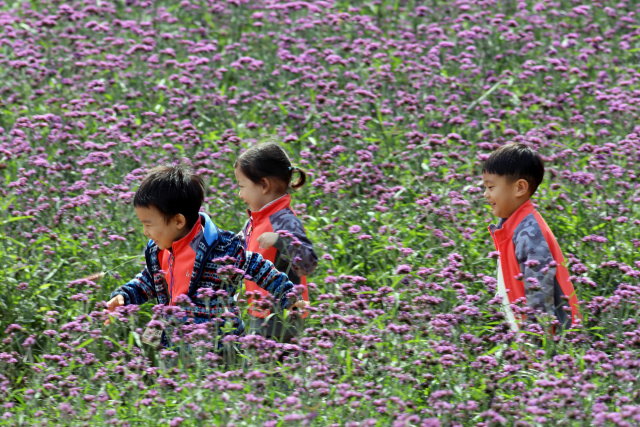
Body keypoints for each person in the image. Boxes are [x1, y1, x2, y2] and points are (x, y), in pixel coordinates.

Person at [105, 162, 305, 360]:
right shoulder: (159, 250)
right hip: (170, 334)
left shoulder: (223, 250)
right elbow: (149, 281)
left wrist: (289, 294)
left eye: (148, 224)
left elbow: (259, 268)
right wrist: (125, 296)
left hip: (216, 342)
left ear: (178, 221)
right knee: (150, 364)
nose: (145, 232)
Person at [483, 143, 580, 333]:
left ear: (520, 188)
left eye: (491, 187)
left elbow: (540, 297)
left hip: (547, 345)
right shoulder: (511, 227)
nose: (485, 194)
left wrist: (534, 342)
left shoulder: (530, 233)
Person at [234, 140, 317, 345]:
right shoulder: (254, 221)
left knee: (275, 369)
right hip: (261, 313)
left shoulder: (285, 221)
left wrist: (281, 240)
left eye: (242, 186)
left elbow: (309, 261)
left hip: (284, 318)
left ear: (264, 185)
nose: (240, 194)